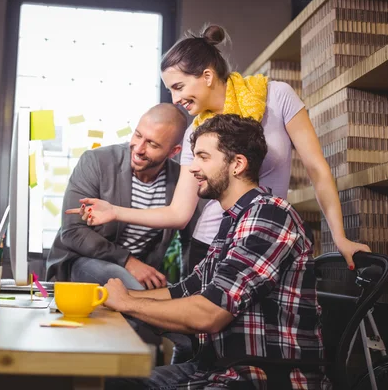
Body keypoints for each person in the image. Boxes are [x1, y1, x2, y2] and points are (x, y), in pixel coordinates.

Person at [67, 24, 369, 272]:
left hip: (267, 236)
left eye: (178, 87)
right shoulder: (194, 134)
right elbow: (178, 213)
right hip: (212, 244)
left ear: (207, 76)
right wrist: (114, 211)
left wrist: (339, 238)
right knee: (205, 342)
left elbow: (317, 170)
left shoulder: (278, 97)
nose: (175, 100)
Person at [104, 114, 331, 389]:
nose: (192, 168)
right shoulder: (235, 220)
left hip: (261, 377)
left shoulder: (269, 215)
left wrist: (127, 304)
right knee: (117, 380)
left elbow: (210, 314)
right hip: (216, 369)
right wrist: (113, 297)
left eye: (203, 157)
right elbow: (187, 290)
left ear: (237, 164)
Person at [45, 103, 203, 290]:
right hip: (82, 261)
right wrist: (128, 261)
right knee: (132, 288)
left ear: (174, 151)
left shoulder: (180, 180)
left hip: (139, 272)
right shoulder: (96, 161)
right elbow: (72, 232)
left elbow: (190, 240)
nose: (138, 149)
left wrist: (191, 285)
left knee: (176, 302)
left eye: (152, 144)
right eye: (138, 135)